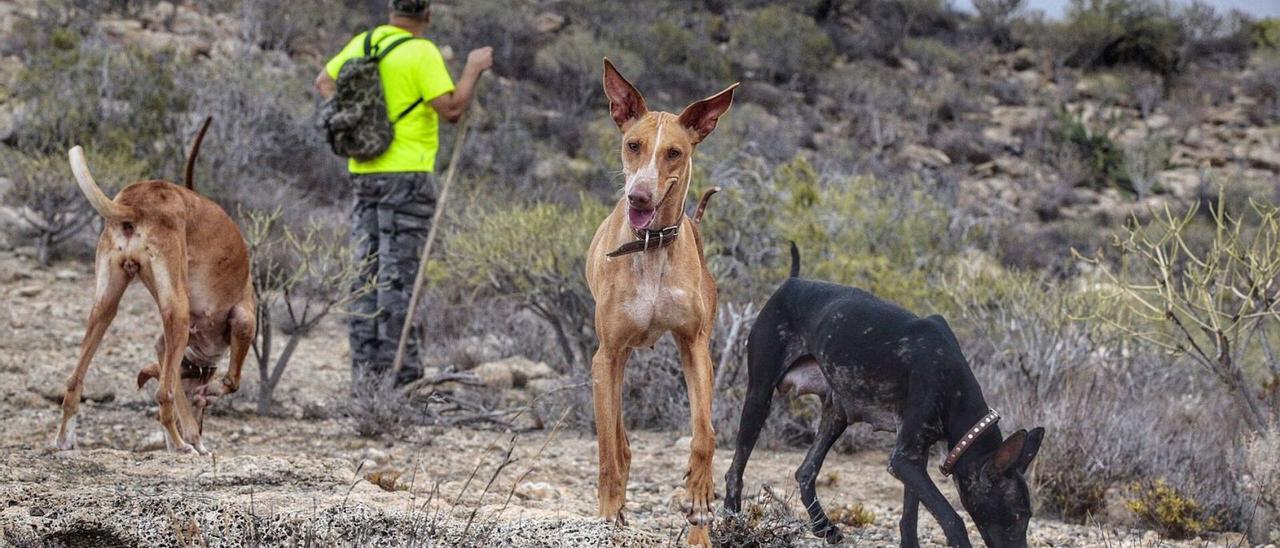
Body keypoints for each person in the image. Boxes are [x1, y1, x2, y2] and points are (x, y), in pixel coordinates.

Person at [315, 0, 492, 385]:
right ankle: (404, 380)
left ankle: (365, 380)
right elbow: (452, 109)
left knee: (366, 274)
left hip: (363, 171)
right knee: (399, 279)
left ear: (393, 9)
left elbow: (324, 82)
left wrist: (355, 120)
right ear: (427, 15)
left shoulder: (365, 42)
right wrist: (474, 69)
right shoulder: (421, 51)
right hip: (407, 176)